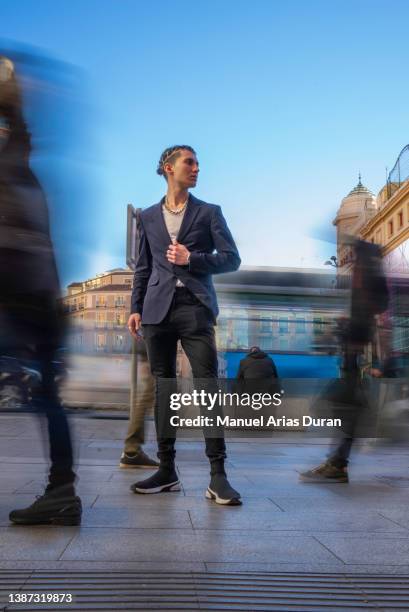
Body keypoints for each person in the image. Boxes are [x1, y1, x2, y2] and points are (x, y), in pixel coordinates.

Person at [127, 145, 242, 505]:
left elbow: (231, 260)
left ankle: (218, 476)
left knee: (207, 387)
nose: (196, 168)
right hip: (156, 311)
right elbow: (143, 267)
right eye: (189, 162)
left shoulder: (209, 213)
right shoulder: (147, 217)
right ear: (168, 168)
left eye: (197, 163)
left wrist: (192, 258)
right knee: (164, 389)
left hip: (195, 307)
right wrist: (135, 307)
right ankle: (167, 470)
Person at [0, 55, 81, 525]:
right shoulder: (19, 165)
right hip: (36, 291)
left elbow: (18, 118)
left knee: (46, 394)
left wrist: (10, 81)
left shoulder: (14, 160)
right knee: (47, 394)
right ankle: (62, 492)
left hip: (19, 291)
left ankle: (62, 492)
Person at [299, 239, 389, 483]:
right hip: (352, 355)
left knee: (344, 407)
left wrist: (356, 335)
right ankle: (337, 462)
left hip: (356, 356)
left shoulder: (368, 278)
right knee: (345, 407)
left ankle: (337, 464)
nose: (346, 258)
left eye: (350, 254)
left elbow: (378, 315)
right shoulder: (365, 281)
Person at [119, 339, 159, 468]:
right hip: (152, 341)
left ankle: (132, 450)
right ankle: (132, 450)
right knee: (150, 393)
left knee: (150, 393)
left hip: (149, 340)